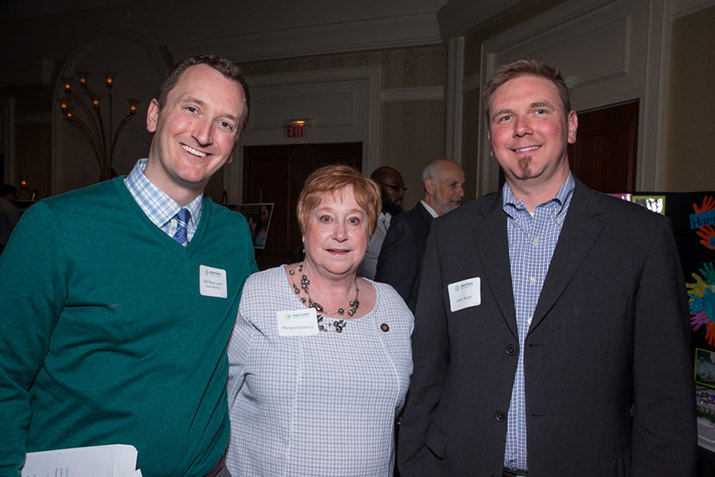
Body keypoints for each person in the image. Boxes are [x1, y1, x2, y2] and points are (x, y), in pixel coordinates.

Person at [397, 58, 696, 476]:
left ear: (571, 126)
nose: (522, 128)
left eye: (540, 110)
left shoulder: (640, 237)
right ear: (491, 139)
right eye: (506, 117)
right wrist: (413, 464)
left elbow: (665, 395)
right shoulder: (452, 235)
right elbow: (428, 364)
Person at [0, 54, 257, 476]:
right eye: (191, 108)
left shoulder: (232, 237)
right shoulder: (56, 227)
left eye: (226, 124)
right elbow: (5, 372)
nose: (205, 133)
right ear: (154, 115)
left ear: (231, 150)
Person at [226, 164, 413, 476]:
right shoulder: (257, 295)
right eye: (326, 218)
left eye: (354, 220)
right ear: (304, 227)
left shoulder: (393, 307)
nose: (340, 233)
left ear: (369, 232)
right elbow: (217, 402)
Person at [375, 158, 464, 311]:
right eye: (453, 185)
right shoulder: (408, 228)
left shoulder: (450, 228)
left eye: (462, 185)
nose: (461, 193)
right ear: (430, 186)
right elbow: (393, 295)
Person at [358, 166, 406, 279]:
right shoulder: (364, 223)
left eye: (403, 189)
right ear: (376, 188)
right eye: (395, 188)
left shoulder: (391, 222)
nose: (401, 194)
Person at [0, 184, 20, 254]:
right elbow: (17, 226)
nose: (17, 199)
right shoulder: (9, 208)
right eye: (16, 196)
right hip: (5, 243)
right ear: (11, 195)